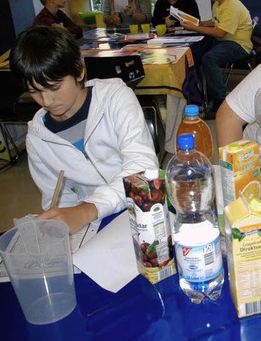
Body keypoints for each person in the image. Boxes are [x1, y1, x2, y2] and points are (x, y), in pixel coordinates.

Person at [9, 26, 158, 234]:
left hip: (142, 209)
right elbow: (58, 201)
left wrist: (89, 209)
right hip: (94, 228)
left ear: (79, 70)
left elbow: (142, 169)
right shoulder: (37, 138)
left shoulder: (114, 98)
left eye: (54, 87)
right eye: (34, 91)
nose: (46, 101)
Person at [181, 0, 253, 114]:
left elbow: (220, 32)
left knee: (208, 58)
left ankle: (220, 99)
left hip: (238, 45)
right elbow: (215, 22)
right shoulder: (219, 3)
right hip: (225, 41)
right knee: (195, 51)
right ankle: (198, 95)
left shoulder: (232, 6)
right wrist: (199, 23)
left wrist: (195, 27)